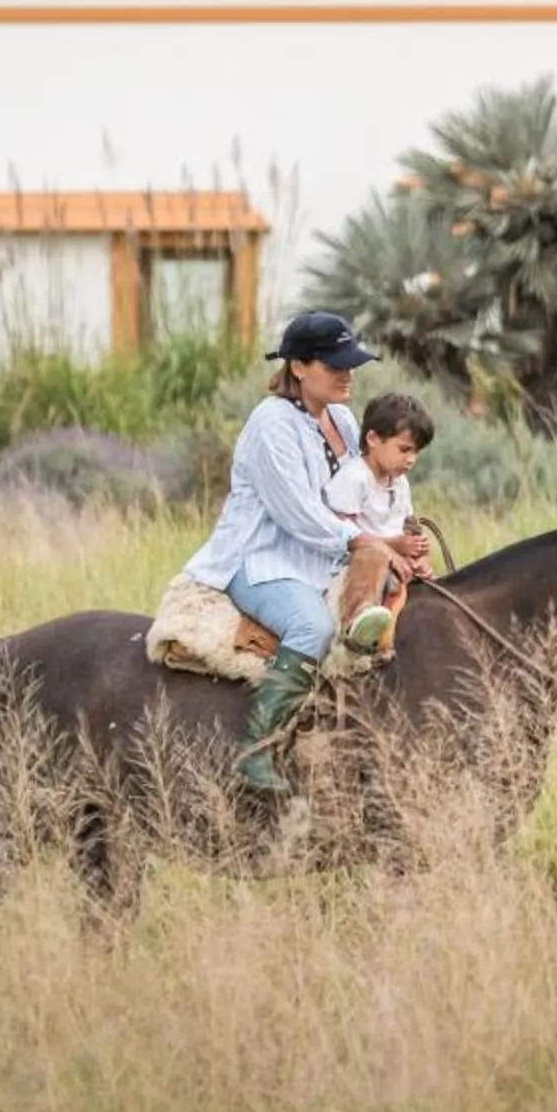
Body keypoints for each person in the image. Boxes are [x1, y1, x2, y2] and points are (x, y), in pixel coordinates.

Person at [179, 309, 399, 794]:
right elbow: (297, 512)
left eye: (351, 364)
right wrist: (362, 541)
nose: (347, 374)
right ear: (298, 367)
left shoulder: (342, 418)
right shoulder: (271, 424)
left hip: (321, 557)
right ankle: (254, 751)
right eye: (335, 365)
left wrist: (395, 536)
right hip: (260, 559)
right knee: (312, 627)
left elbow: (358, 490)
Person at [325, 390, 436, 653]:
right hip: (359, 561)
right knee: (371, 556)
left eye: (416, 452)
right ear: (373, 439)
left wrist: (419, 554)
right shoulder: (355, 477)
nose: (411, 459)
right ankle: (358, 620)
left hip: (396, 560)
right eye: (404, 449)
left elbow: (408, 523)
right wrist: (392, 546)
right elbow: (341, 531)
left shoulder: (400, 482)